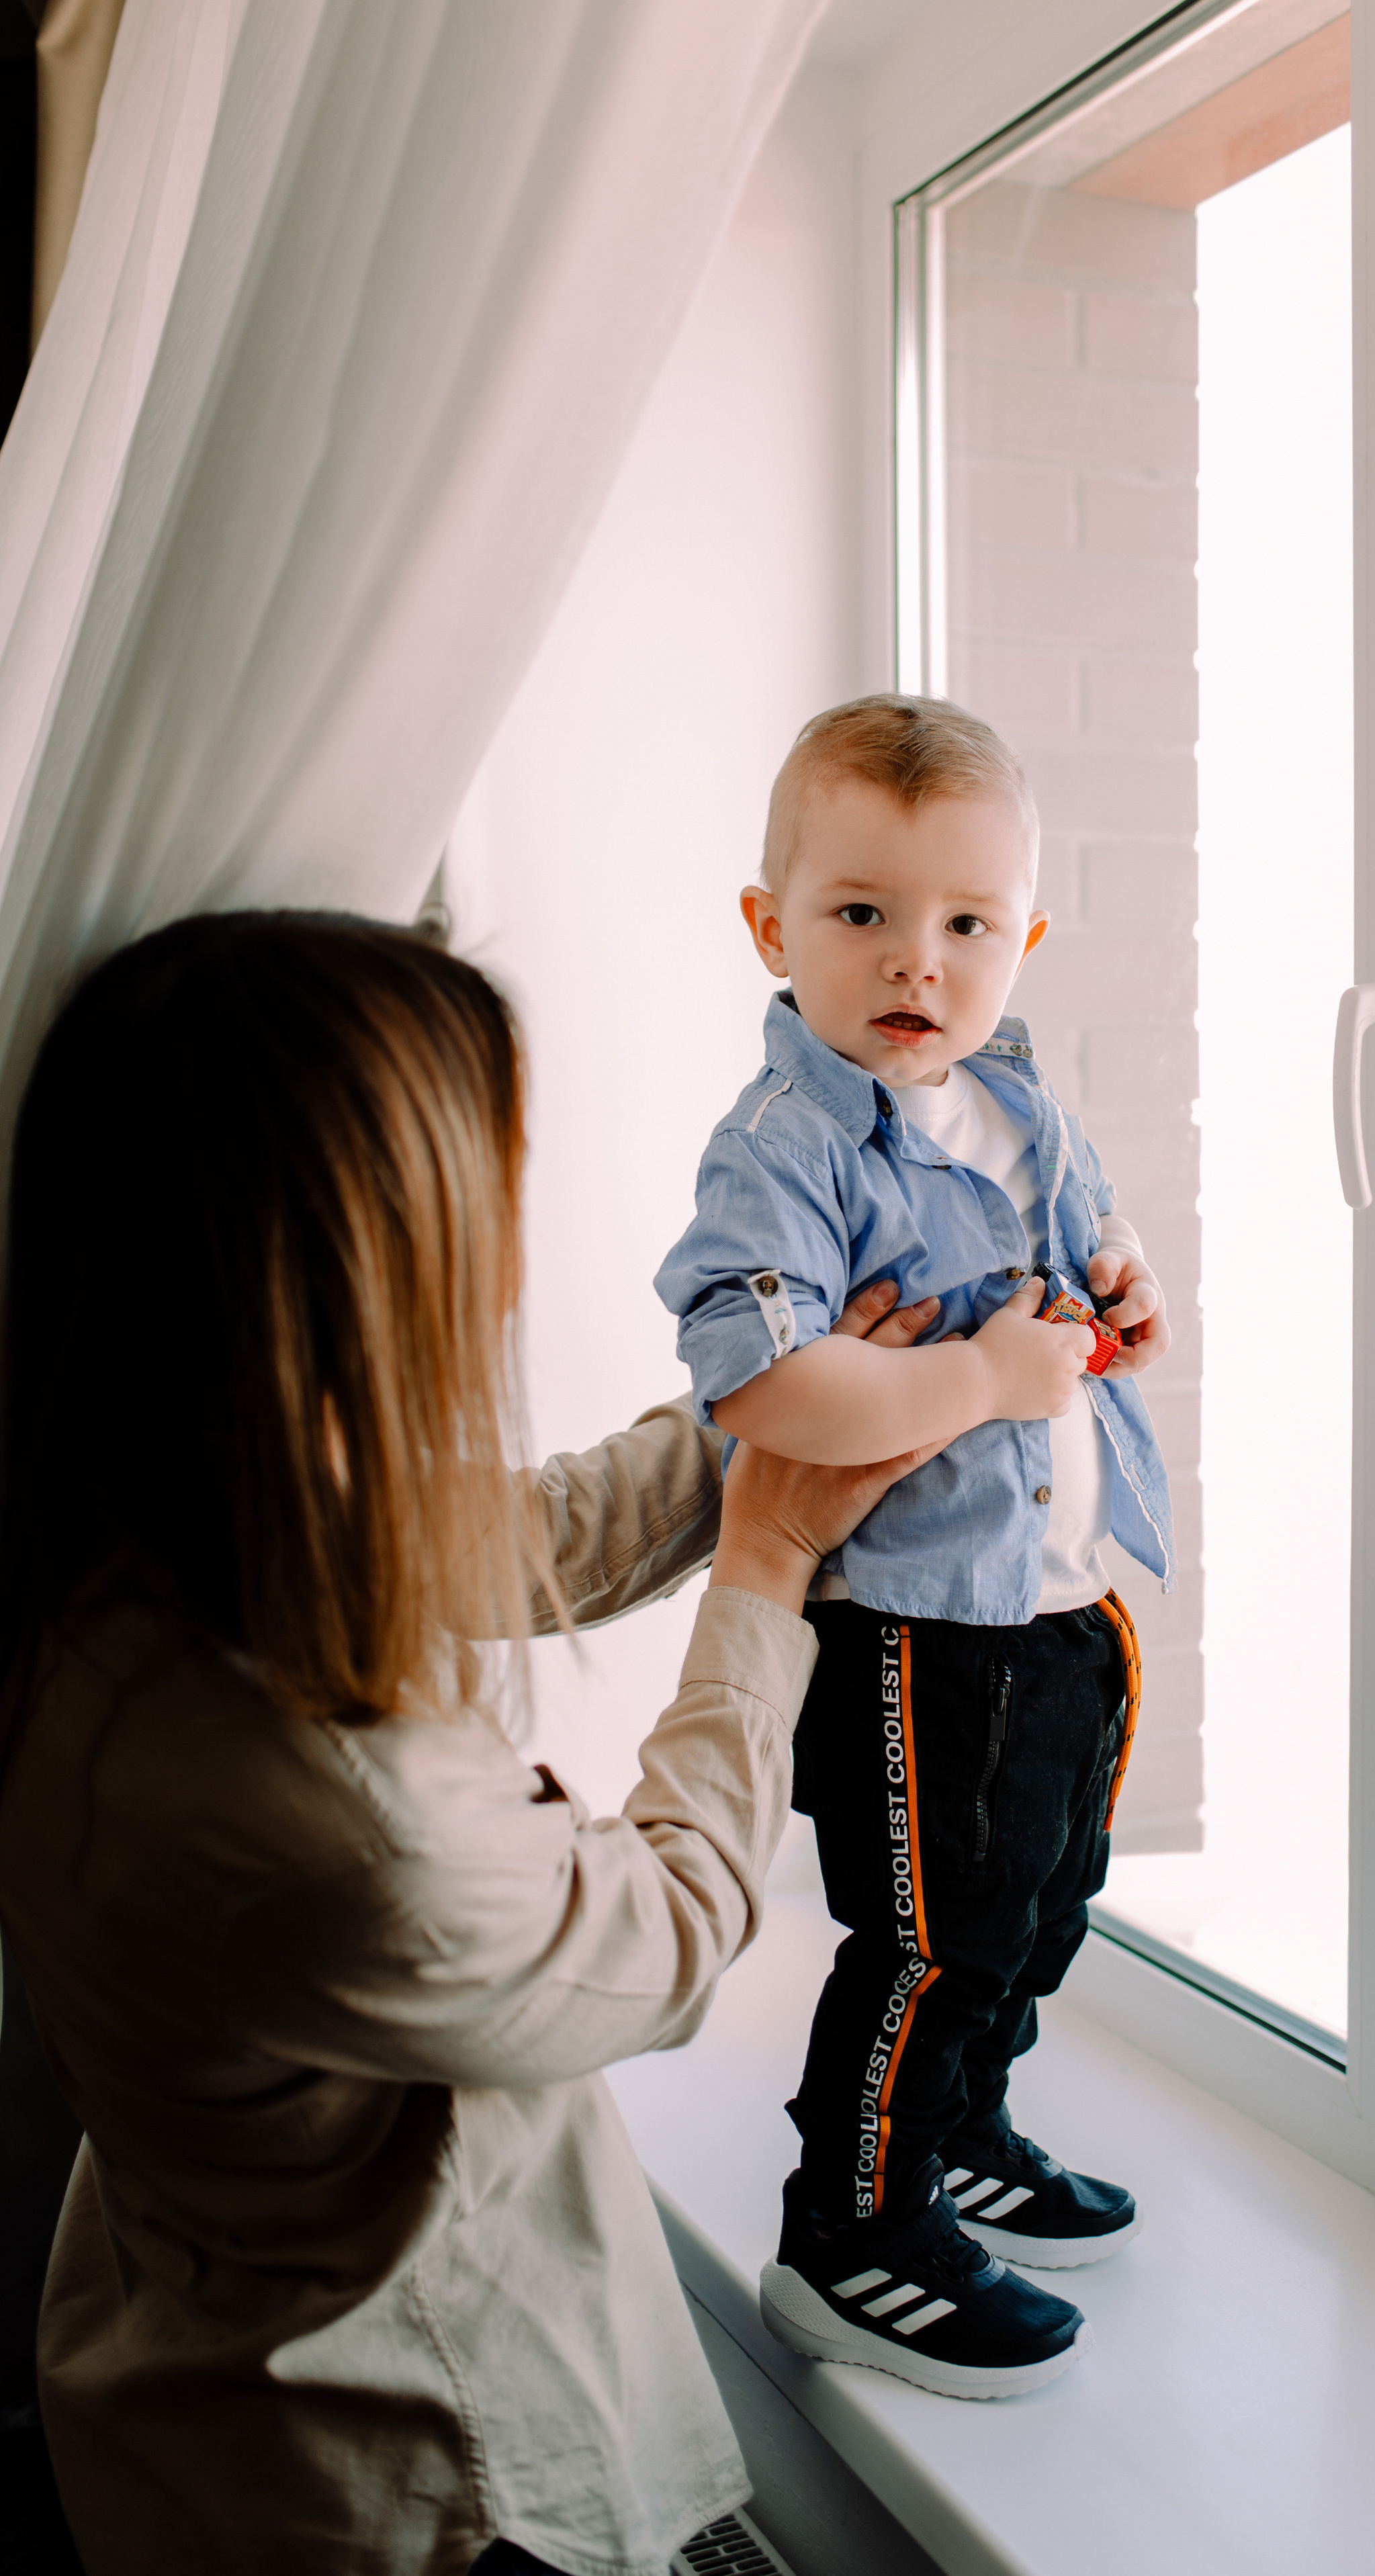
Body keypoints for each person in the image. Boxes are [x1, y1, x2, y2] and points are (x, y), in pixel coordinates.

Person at [0, 911, 944, 2576]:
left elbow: (528, 1532)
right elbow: (660, 1940)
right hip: (413, 2487)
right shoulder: (323, 1810)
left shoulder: (137, 1520)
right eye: (477, 1200)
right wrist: (771, 1564)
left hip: (191, 2384)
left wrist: (776, 1403)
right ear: (362, 1256)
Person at [654, 695, 1176, 2401]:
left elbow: (1084, 1253)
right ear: (772, 926)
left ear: (1019, 936)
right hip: (915, 1624)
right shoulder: (788, 1144)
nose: (915, 963)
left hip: (1060, 1600)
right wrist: (971, 1375)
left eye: (964, 924)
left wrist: (1122, 1294)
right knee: (927, 1936)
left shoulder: (1014, 1100)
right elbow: (761, 1378)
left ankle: (957, 2136)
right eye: (862, 914)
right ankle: (849, 2223)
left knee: (1034, 1913)